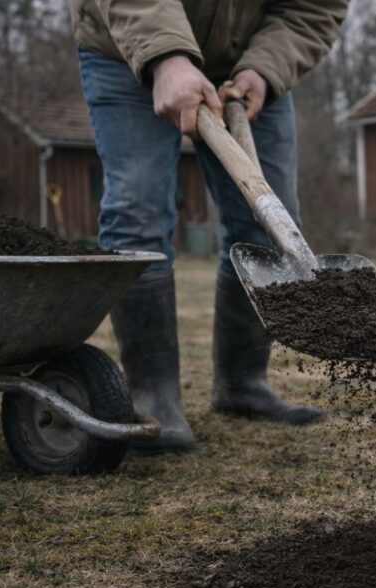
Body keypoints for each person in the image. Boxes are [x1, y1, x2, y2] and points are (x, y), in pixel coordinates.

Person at [68, 1, 349, 451]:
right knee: (137, 214)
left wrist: (264, 68)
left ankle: (242, 384)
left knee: (269, 226)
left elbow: (314, 5)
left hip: (244, 58)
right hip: (128, 45)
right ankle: (153, 395)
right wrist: (165, 56)